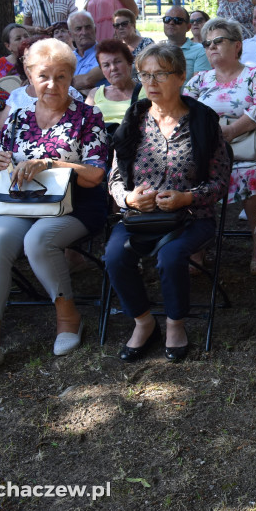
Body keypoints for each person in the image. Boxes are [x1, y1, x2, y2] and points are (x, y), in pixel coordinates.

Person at [0, 38, 109, 388]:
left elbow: (96, 175)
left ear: (72, 78)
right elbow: (5, 165)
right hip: (22, 202)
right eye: (44, 76)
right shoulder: (19, 117)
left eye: (62, 76)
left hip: (77, 205)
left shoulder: (87, 116)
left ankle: (68, 317)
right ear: (29, 76)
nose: (53, 84)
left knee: (38, 241)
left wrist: (52, 162)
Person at [105, 42, 230, 363]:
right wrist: (129, 198)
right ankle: (144, 323)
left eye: (160, 74)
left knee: (171, 256)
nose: (151, 83)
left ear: (181, 76)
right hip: (140, 217)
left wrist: (186, 197)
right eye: (144, 75)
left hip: (191, 215)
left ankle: (175, 324)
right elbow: (115, 178)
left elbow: (219, 183)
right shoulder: (133, 122)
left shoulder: (203, 123)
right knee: (115, 255)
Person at [184, 18, 256, 274]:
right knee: (188, 175)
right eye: (207, 43)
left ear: (237, 45)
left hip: (248, 148)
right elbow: (185, 114)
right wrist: (212, 138)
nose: (211, 47)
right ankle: (196, 247)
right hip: (207, 151)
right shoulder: (198, 81)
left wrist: (231, 131)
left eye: (218, 41)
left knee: (253, 173)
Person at [84, 39, 138, 125]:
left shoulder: (146, 91)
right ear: (102, 70)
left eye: (117, 62)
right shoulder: (95, 93)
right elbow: (83, 124)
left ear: (129, 63)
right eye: (106, 65)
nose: (113, 68)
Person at [162, 6, 209, 80]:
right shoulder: (158, 51)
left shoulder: (200, 50)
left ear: (188, 27)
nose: (171, 23)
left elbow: (198, 86)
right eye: (167, 19)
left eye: (178, 20)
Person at [67, 11, 104, 92]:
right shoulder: (68, 58)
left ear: (95, 30)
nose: (84, 32)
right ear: (70, 35)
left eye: (88, 27)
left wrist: (63, 83)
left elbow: (87, 81)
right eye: (78, 29)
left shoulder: (106, 53)